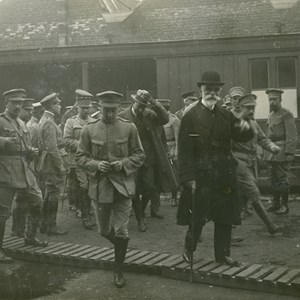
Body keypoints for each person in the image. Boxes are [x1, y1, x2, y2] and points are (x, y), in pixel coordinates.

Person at [177, 71, 253, 267]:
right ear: (201, 90)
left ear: (220, 91)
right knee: (198, 216)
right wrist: (188, 178)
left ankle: (223, 255)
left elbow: (241, 137)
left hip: (225, 174)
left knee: (225, 216)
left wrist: (246, 120)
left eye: (215, 90)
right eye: (208, 89)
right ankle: (189, 250)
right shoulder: (191, 116)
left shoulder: (226, 115)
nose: (211, 93)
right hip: (201, 175)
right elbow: (184, 150)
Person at [76, 91, 145, 288]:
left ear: (119, 108)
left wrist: (123, 163)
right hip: (100, 188)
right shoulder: (88, 130)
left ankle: (118, 270)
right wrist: (96, 165)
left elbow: (139, 155)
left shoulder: (129, 128)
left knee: (122, 230)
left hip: (123, 187)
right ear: (99, 108)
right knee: (103, 230)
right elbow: (80, 157)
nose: (110, 114)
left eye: (113, 110)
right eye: (106, 110)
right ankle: (121, 252)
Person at [0, 89, 48, 263]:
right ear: (6, 103)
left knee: (37, 201)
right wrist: (3, 141)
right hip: (5, 172)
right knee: (2, 212)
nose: (18, 106)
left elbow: (24, 146)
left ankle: (30, 236)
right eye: (14, 103)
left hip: (24, 170)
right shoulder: (0, 121)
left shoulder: (21, 122)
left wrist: (31, 151)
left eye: (20, 103)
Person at [118, 90, 178, 226]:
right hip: (130, 157)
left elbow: (165, 119)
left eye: (143, 106)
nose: (141, 108)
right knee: (132, 189)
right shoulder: (122, 116)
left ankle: (142, 210)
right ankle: (140, 219)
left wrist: (154, 102)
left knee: (150, 187)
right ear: (134, 102)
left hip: (148, 158)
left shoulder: (149, 114)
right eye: (139, 105)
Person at [231, 94, 283, 235]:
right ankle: (270, 225)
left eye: (253, 108)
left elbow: (263, 139)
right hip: (238, 162)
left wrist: (273, 147)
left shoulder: (252, 123)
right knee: (253, 192)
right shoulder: (232, 122)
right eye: (248, 108)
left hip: (250, 162)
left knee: (244, 193)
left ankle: (231, 222)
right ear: (241, 107)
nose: (251, 111)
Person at [37, 93, 68, 236]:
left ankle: (44, 225)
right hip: (52, 163)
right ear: (51, 105)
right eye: (58, 104)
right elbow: (52, 147)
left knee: (49, 193)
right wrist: (60, 165)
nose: (60, 106)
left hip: (47, 162)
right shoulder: (49, 122)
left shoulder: (45, 119)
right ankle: (51, 226)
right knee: (54, 193)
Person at [64, 89, 95, 229]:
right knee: (84, 186)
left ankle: (89, 210)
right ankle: (85, 216)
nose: (86, 110)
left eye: (88, 107)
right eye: (83, 108)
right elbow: (67, 141)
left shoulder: (95, 121)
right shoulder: (71, 122)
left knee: (93, 186)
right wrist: (83, 145)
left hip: (92, 161)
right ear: (77, 107)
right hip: (77, 161)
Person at [264, 89, 298, 215]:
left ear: (280, 99)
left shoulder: (286, 114)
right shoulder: (270, 114)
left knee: (282, 179)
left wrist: (290, 152)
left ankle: (284, 205)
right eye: (270, 100)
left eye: (274, 99)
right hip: (271, 152)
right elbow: (268, 135)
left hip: (283, 151)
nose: (272, 102)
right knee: (273, 179)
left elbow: (292, 135)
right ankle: (275, 203)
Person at [157, 99, 181, 207]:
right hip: (160, 149)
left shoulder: (174, 120)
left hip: (171, 149)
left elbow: (178, 139)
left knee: (173, 175)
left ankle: (174, 198)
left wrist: (175, 153)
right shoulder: (156, 120)